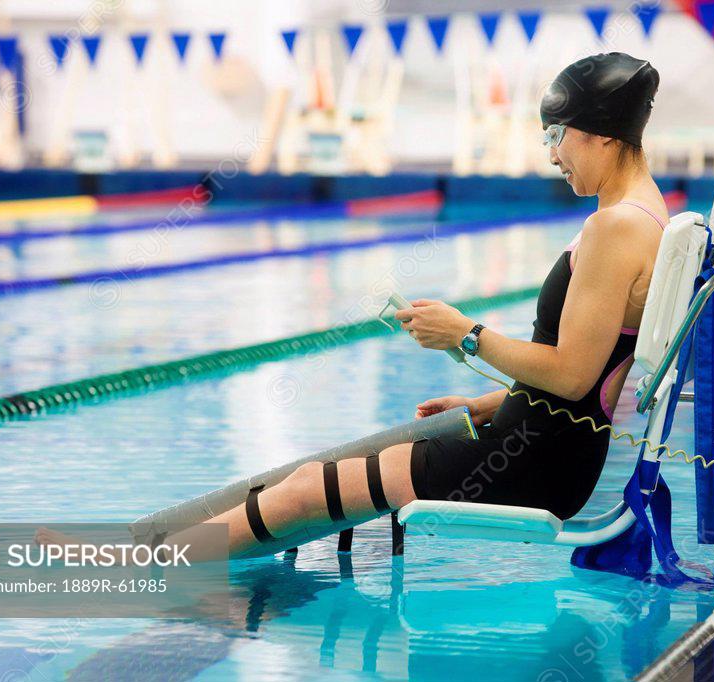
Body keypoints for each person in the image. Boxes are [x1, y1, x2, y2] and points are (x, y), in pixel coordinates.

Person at [39, 53, 669, 562]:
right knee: (309, 477)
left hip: (534, 462)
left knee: (305, 492)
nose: (551, 153)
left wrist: (467, 333)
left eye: (556, 136)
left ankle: (138, 566)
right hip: (536, 438)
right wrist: (481, 402)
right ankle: (137, 545)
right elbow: (596, 378)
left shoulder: (616, 228)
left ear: (601, 135)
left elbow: (574, 375)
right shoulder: (644, 214)